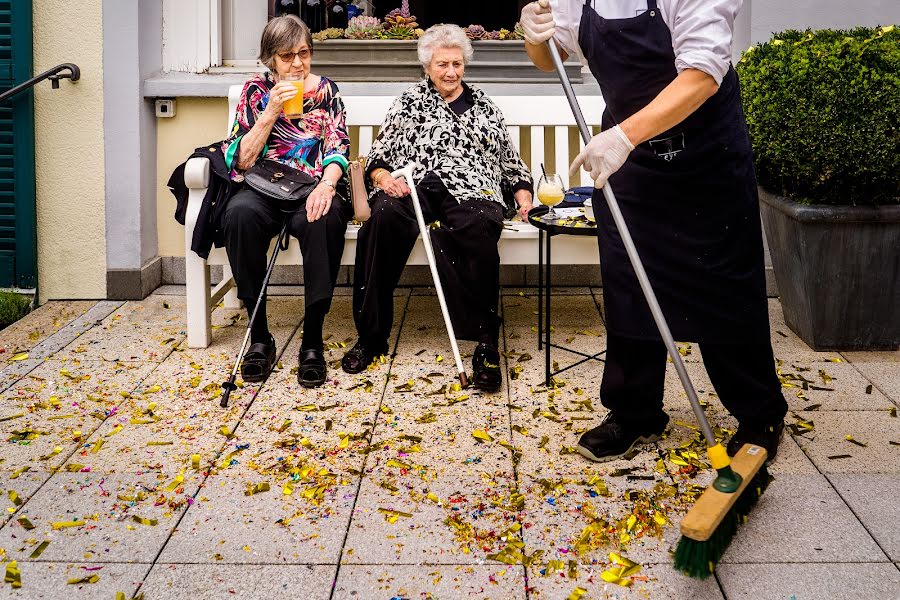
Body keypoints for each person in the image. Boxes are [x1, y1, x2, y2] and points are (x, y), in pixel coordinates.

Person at [520, 0, 788, 461]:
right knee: (629, 286)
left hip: (706, 160)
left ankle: (758, 412)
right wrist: (533, 36)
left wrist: (624, 136)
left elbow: (703, 74)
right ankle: (634, 412)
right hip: (632, 165)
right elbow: (552, 58)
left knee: (724, 287)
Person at [341, 24, 535, 392]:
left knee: (479, 224)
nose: (451, 72)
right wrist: (383, 180)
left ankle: (485, 344)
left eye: (457, 64)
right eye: (442, 64)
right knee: (381, 218)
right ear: (427, 65)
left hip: (472, 189)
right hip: (415, 185)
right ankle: (371, 337)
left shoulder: (485, 107)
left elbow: (511, 164)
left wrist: (523, 195)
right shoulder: (409, 102)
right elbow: (379, 158)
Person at [222, 15, 351, 388]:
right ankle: (259, 335)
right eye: (287, 56)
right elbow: (242, 159)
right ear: (269, 59)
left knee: (324, 219)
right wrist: (270, 112)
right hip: (263, 187)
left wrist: (327, 184)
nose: (297, 64)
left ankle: (312, 338)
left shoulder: (327, 90)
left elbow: (338, 145)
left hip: (311, 186)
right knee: (239, 215)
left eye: (304, 53)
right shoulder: (254, 92)